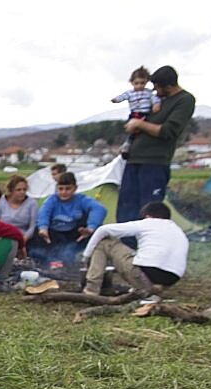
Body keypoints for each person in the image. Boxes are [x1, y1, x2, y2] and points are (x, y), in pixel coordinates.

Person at [116, 65, 196, 223]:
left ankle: (150, 245)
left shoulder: (184, 100)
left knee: (149, 210)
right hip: (133, 159)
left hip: (154, 163)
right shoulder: (157, 100)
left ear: (168, 86)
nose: (154, 90)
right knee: (126, 208)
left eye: (157, 87)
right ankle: (127, 245)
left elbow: (168, 131)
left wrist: (138, 125)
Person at [82, 201, 188, 297]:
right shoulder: (178, 231)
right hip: (169, 281)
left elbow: (103, 230)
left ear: (147, 216)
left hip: (143, 277)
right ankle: (152, 290)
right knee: (136, 255)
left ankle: (91, 290)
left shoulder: (148, 222)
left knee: (104, 242)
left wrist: (86, 257)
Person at [30, 171, 107, 263]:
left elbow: (99, 209)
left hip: (73, 235)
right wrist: (43, 228)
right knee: (36, 239)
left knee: (69, 253)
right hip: (54, 235)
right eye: (61, 189)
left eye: (68, 189)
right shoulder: (52, 200)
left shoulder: (81, 199)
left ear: (75, 188)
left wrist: (91, 228)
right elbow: (44, 213)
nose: (64, 192)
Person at [112, 65, 161, 155]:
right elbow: (122, 96)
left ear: (146, 82)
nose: (139, 86)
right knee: (131, 130)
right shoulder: (130, 93)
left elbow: (155, 99)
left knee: (143, 130)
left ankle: (137, 146)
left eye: (142, 83)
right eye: (136, 83)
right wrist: (116, 100)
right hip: (134, 114)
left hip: (145, 114)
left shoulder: (148, 93)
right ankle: (127, 144)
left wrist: (156, 105)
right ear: (132, 82)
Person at [0, 174, 39, 241]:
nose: (22, 192)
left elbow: (33, 226)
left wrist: (24, 239)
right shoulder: (1, 201)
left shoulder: (32, 203)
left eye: (24, 189)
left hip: (23, 238)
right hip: (2, 237)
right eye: (18, 190)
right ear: (11, 190)